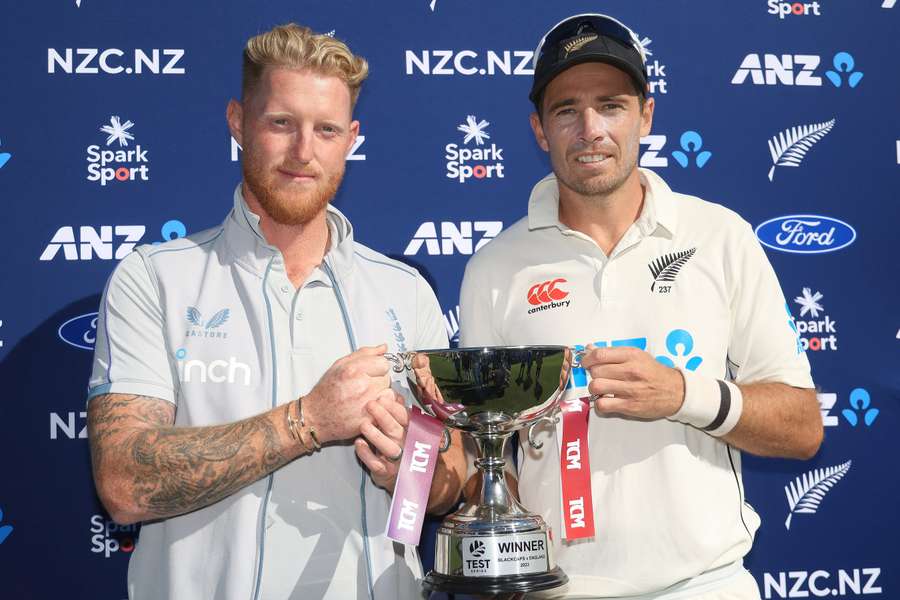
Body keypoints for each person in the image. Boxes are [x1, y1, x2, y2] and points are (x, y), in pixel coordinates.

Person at [87, 23, 464, 600]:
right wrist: (308, 420)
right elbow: (124, 481)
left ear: (352, 138)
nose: (303, 151)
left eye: (326, 129)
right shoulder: (156, 278)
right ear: (239, 122)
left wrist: (409, 475)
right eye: (281, 123)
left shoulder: (405, 292)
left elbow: (445, 484)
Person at [459, 13, 823, 600]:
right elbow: (484, 459)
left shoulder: (720, 237)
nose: (590, 129)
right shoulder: (495, 269)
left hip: (704, 587)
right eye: (566, 110)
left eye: (611, 105)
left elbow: (803, 428)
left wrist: (684, 395)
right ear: (538, 129)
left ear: (646, 114)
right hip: (550, 590)